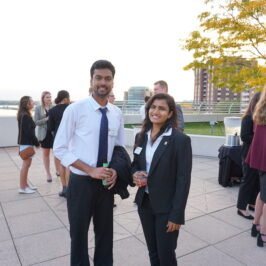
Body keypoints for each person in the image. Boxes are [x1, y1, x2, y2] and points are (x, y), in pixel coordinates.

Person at [53, 60, 125, 265]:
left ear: (113, 81)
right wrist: (90, 170)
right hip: (81, 183)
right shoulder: (75, 109)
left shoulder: (116, 113)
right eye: (99, 78)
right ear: (91, 80)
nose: (103, 82)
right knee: (78, 237)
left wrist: (116, 171)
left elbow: (119, 149)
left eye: (108, 78)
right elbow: (60, 148)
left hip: (105, 185)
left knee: (105, 236)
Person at [132, 93, 192, 266]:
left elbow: (183, 180)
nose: (156, 111)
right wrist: (134, 174)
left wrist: (177, 215)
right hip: (145, 203)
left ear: (170, 113)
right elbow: (135, 164)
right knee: (153, 252)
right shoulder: (141, 136)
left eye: (162, 108)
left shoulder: (180, 140)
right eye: (153, 107)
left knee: (165, 254)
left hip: (167, 208)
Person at [246, 85, 266, 247]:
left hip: (261, 158)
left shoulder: (261, 108)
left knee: (263, 193)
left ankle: (256, 225)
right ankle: (263, 233)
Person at [237, 92, 261, 219]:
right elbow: (245, 136)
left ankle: (252, 203)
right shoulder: (248, 117)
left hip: (257, 153)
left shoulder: (259, 117)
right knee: (247, 180)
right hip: (248, 153)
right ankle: (241, 207)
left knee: (256, 180)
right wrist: (260, 139)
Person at [48, 90, 71, 197]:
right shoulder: (71, 108)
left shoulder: (52, 110)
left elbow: (50, 128)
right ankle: (71, 189)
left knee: (62, 164)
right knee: (69, 164)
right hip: (71, 139)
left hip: (59, 139)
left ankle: (65, 189)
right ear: (66, 98)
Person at [34, 91, 59, 182]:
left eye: (50, 97)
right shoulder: (38, 108)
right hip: (44, 134)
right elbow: (36, 122)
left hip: (53, 134)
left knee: (56, 154)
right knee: (46, 154)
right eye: (47, 97)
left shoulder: (54, 107)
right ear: (43, 98)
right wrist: (46, 119)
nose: (49, 99)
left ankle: (58, 171)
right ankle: (48, 174)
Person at [17, 96, 40, 194]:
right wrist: (37, 143)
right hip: (26, 143)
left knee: (27, 165)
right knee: (26, 165)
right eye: (32, 101)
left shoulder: (23, 114)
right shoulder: (25, 116)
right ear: (27, 104)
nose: (33, 103)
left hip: (26, 143)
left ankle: (25, 185)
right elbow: (29, 132)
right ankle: (23, 187)